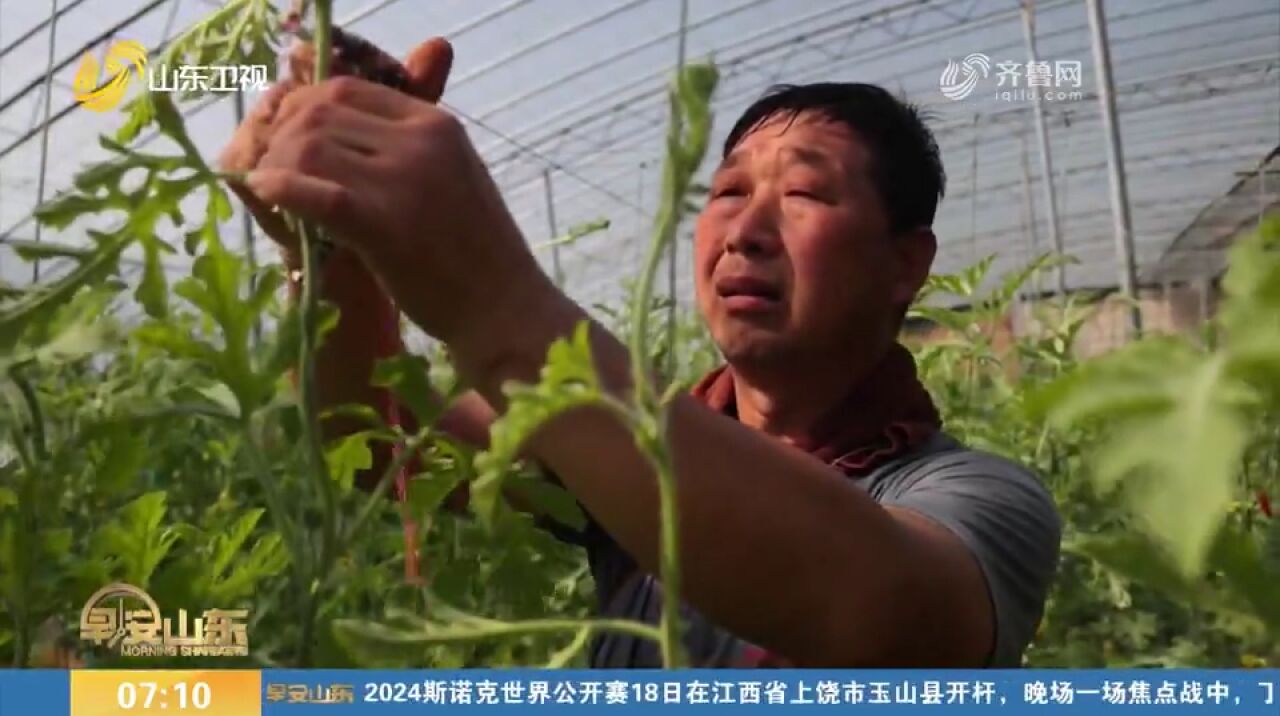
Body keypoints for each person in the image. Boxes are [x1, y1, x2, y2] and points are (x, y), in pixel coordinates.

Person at [220, 36, 1062, 669]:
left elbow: (880, 615)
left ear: (904, 265)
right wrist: (332, 255)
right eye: (728, 191)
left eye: (803, 193)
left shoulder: (980, 499)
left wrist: (501, 309)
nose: (746, 230)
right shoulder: (623, 443)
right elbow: (378, 441)